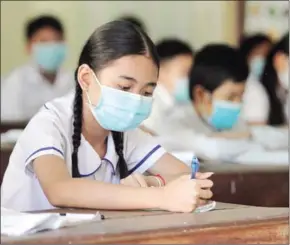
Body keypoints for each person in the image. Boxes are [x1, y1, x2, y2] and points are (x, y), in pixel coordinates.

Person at [1, 20, 213, 212]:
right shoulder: (49, 123)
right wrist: (159, 196)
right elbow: (60, 190)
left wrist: (153, 183)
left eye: (147, 92)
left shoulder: (123, 131)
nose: (136, 100)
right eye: (124, 87)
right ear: (86, 78)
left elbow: (184, 175)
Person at [1, 15, 73, 122]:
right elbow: (8, 127)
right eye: (44, 42)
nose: (52, 47)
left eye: (57, 40)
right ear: (29, 47)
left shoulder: (74, 81)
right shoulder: (15, 82)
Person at [142, 39, 194, 135]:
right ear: (160, 71)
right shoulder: (149, 104)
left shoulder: (177, 103)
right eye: (185, 73)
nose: (190, 80)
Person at [242, 33, 289, 126]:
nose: (263, 57)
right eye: (259, 53)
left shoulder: (283, 91)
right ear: (280, 60)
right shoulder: (255, 91)